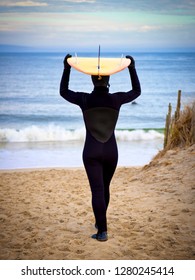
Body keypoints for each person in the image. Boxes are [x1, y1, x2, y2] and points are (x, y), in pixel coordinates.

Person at [60, 54, 141, 241]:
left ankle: (102, 231)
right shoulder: (116, 99)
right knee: (105, 188)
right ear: (109, 80)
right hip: (112, 152)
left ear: (91, 79)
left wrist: (67, 67)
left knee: (97, 191)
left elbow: (64, 91)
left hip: (91, 152)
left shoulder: (84, 100)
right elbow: (136, 91)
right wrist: (132, 67)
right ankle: (101, 221)